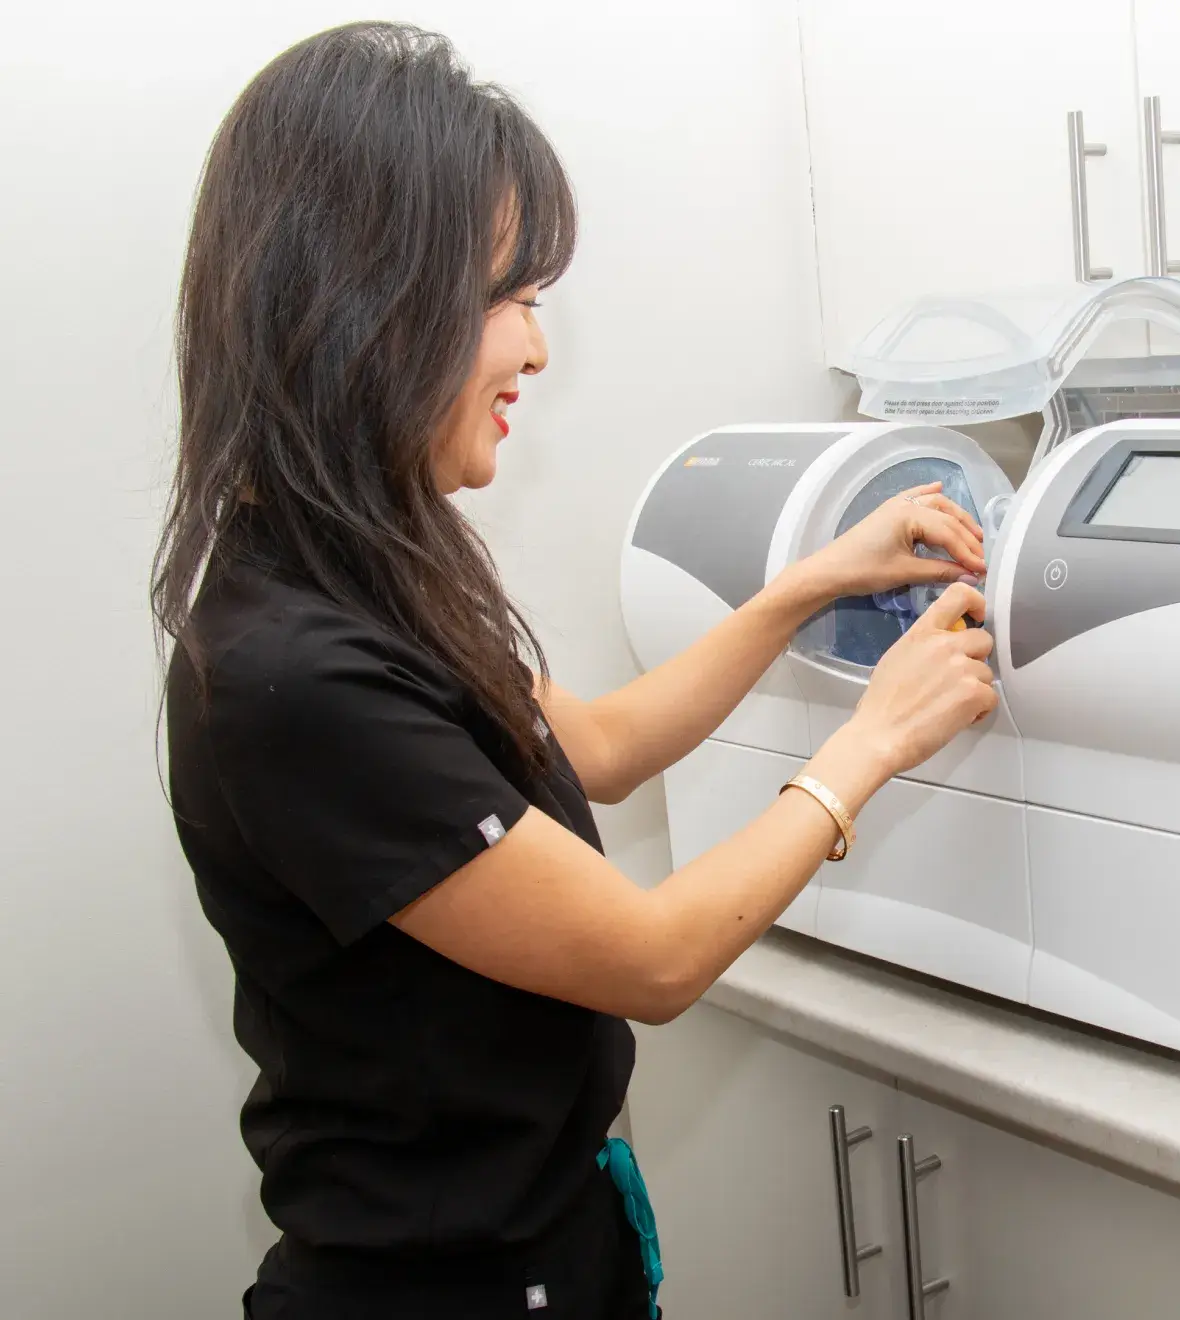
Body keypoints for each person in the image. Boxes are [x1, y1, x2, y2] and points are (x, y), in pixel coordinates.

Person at [152, 21, 997, 1320]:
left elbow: (592, 745)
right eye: (509, 299)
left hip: (560, 1239)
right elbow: (651, 959)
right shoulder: (293, 675)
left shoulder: (374, 555)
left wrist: (811, 582)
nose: (534, 353)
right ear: (365, 296)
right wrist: (871, 742)